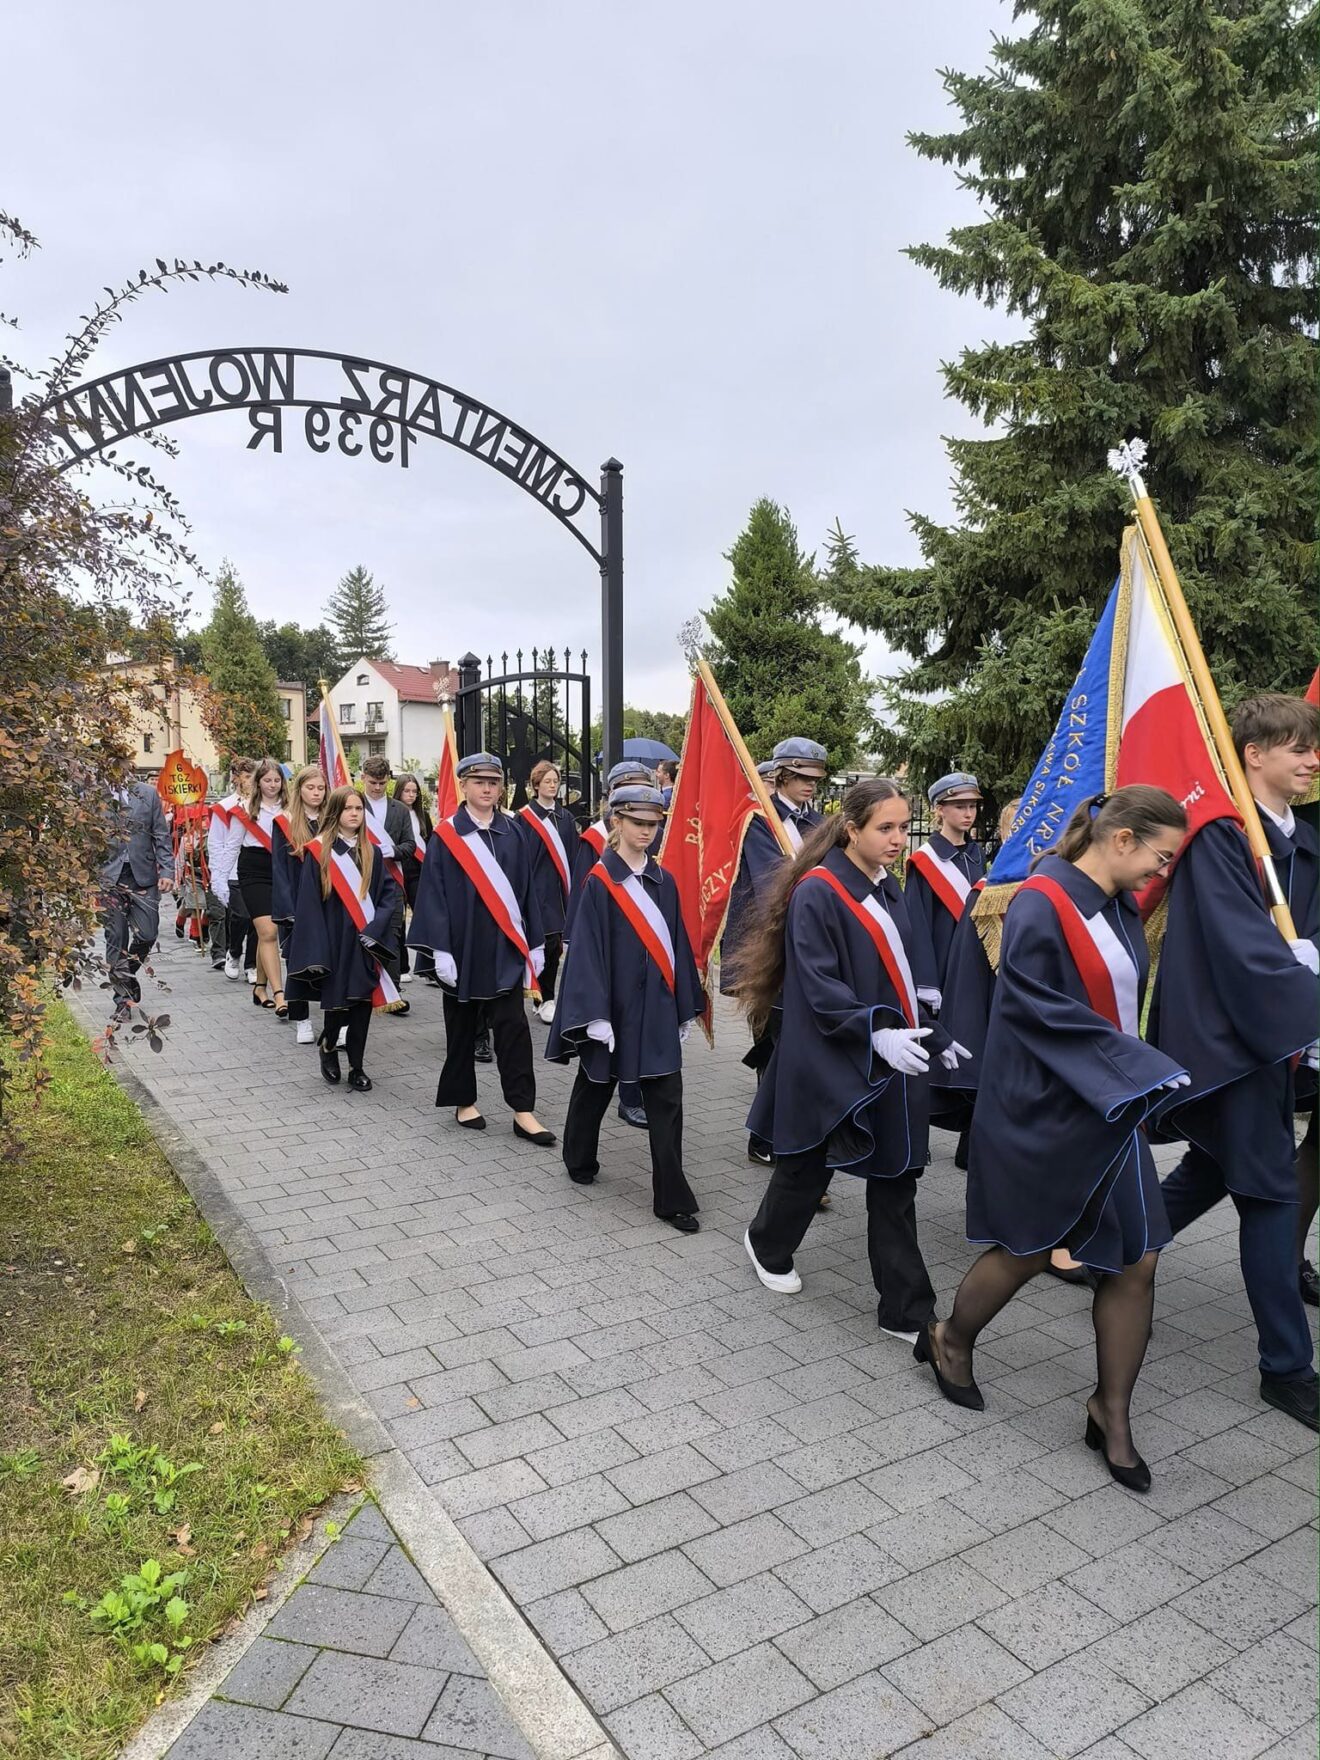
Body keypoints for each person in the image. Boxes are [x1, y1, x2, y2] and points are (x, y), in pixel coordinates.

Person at [917, 787, 1190, 1491]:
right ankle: (950, 1338)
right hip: (1047, 1110)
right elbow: (1037, 1015)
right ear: (1121, 839)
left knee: (1137, 1261)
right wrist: (1137, 1068)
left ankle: (1112, 1411)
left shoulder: (1123, 906)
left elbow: (1127, 1002)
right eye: (1159, 855)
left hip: (1109, 1105)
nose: (1160, 871)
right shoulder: (1039, 900)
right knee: (1029, 1251)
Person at [736, 779, 965, 1341]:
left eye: (901, 828)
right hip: (833, 1056)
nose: (897, 840)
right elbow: (819, 986)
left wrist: (928, 1032)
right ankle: (766, 1242)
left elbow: (900, 973)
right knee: (807, 1166)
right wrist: (876, 1032)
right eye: (884, 828)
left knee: (895, 1177)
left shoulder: (889, 885)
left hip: (890, 1054)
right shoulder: (819, 891)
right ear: (851, 829)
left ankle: (905, 1309)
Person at [1150, 693, 1320, 1431]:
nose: (1313, 761)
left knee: (1214, 1169)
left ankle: (1104, 1248)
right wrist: (1305, 995)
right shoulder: (1220, 835)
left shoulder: (1302, 841)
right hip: (1231, 1044)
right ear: (1254, 754)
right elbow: (1239, 950)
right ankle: (1287, 1368)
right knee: (1272, 1194)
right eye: (1298, 748)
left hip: (1279, 1037)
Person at [548, 784, 703, 1232]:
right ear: (616, 821)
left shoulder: (664, 880)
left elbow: (675, 943)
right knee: (595, 1083)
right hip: (611, 1008)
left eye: (654, 824)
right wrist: (593, 1015)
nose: (647, 832)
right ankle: (578, 1155)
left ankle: (672, 1198)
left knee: (666, 1099)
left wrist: (682, 1007)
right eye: (638, 823)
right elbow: (586, 953)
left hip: (655, 1007)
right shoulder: (599, 881)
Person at [409, 752, 555, 1144]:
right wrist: (439, 950)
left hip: (504, 949)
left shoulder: (514, 832)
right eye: (479, 782)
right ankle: (463, 1101)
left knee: (514, 1029)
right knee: (460, 1029)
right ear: (465, 786)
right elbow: (433, 894)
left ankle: (523, 1110)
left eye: (493, 782)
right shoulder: (445, 835)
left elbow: (527, 892)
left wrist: (535, 943)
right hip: (461, 948)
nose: (487, 789)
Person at [723, 737, 829, 1166]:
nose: (809, 785)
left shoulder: (818, 822)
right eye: (801, 776)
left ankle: (791, 1131)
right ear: (782, 775)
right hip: (770, 947)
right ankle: (765, 1138)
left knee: (795, 1043)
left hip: (808, 943)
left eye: (814, 778)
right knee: (773, 1042)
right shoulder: (761, 822)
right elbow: (771, 889)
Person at [288, 785, 398, 1092]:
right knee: (337, 1005)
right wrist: (318, 948)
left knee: (362, 1003)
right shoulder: (318, 851)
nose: (354, 814)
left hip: (365, 940)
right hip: (333, 939)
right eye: (349, 808)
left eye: (359, 809)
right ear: (335, 812)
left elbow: (389, 895)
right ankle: (328, 1043)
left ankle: (358, 1067)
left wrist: (376, 930)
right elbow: (308, 903)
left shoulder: (372, 852)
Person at [569, 760, 657, 1127]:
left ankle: (632, 1096)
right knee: (602, 1057)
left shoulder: (650, 836)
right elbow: (585, 895)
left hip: (644, 952)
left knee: (638, 1037)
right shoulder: (593, 841)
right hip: (608, 955)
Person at [221, 757, 288, 1015]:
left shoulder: (290, 807)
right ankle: (280, 995)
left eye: (276, 780)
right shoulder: (246, 808)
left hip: (280, 869)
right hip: (253, 870)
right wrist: (221, 880)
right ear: (258, 782)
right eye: (267, 780)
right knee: (268, 931)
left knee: (267, 934)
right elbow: (232, 845)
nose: (272, 785)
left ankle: (260, 987)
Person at [99, 777, 173, 1011]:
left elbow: (161, 835)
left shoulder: (148, 793)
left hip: (143, 874)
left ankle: (127, 975)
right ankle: (122, 1000)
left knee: (148, 933)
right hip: (109, 876)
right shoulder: (93, 794)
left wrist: (168, 870)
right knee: (116, 936)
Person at [518, 759, 580, 1024]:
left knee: (554, 947)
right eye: (548, 782)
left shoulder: (565, 818)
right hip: (535, 892)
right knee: (538, 945)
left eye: (556, 781)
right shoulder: (524, 818)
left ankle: (547, 998)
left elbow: (574, 854)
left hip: (559, 893)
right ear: (536, 785)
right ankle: (536, 995)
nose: (553, 786)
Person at [273, 764, 326, 1046]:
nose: (316, 793)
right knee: (298, 963)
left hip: (328, 902)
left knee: (331, 961)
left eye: (320, 788)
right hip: (298, 904)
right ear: (299, 789)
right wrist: (288, 911)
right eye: (310, 787)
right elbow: (280, 870)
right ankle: (302, 1019)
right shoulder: (285, 821)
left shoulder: (333, 818)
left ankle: (334, 1019)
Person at [359, 757, 411, 1017]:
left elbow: (410, 845)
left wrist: (394, 850)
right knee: (364, 931)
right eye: (372, 783)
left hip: (392, 879)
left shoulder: (400, 810)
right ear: (362, 778)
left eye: (381, 783)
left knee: (392, 933)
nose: (377, 788)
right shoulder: (354, 805)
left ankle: (393, 990)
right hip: (359, 879)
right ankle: (365, 986)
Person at [207, 757, 257, 979]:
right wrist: (217, 874)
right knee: (241, 916)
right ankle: (234, 950)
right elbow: (216, 842)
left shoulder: (263, 805)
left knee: (259, 921)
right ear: (236, 778)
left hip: (258, 870)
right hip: (234, 870)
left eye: (252, 777)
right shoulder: (225, 807)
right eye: (245, 777)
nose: (249, 782)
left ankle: (252, 965)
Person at [391, 773, 436, 988]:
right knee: (398, 919)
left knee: (426, 916)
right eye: (406, 791)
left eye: (414, 792)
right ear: (399, 791)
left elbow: (430, 840)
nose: (410, 795)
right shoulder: (393, 814)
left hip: (419, 870)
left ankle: (430, 967)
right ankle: (401, 967)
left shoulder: (422, 815)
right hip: (399, 867)